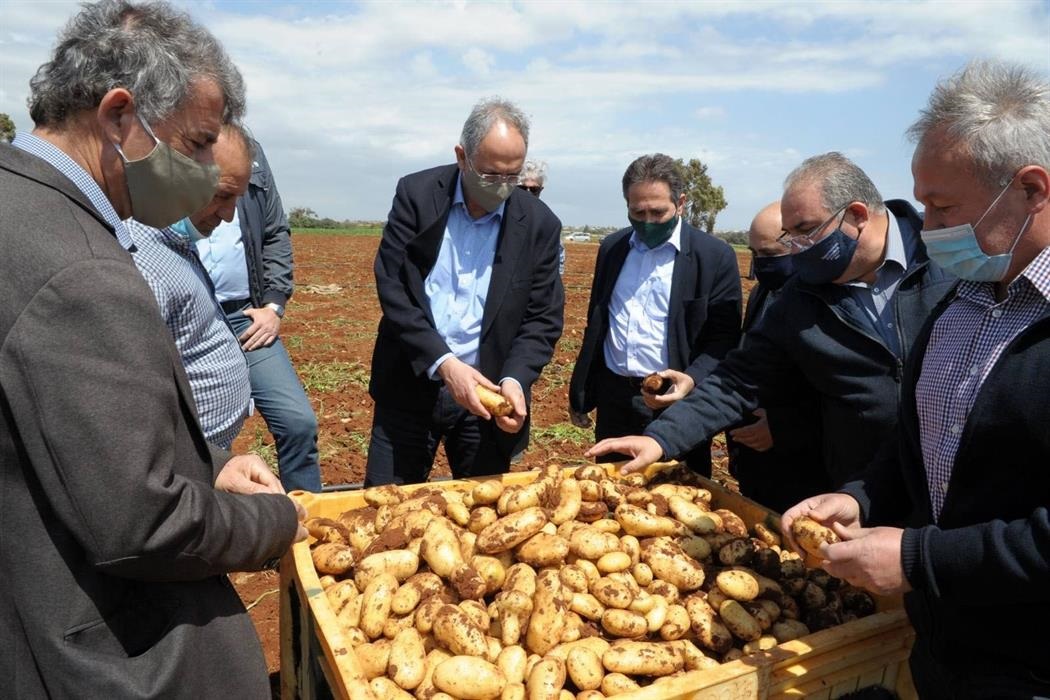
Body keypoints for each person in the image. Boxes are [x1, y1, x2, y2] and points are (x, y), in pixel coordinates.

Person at [0, 1, 304, 697]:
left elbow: (72, 441)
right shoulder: (82, 272)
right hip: (95, 652)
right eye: (197, 144)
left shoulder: (17, 203)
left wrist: (209, 464)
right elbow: (144, 524)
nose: (205, 167)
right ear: (117, 116)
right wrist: (276, 522)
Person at [783, 61, 1050, 699]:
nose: (926, 227)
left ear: (1031, 189)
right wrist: (861, 498)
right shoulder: (960, 306)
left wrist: (915, 559)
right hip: (943, 647)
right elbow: (920, 447)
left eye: (943, 206)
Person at [588, 152, 955, 485]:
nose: (795, 249)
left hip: (957, 485)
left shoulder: (952, 260)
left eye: (806, 231)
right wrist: (661, 439)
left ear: (857, 216)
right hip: (863, 488)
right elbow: (737, 380)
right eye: (789, 236)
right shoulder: (802, 293)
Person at [365, 97, 564, 486]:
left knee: (484, 517)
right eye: (491, 175)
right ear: (462, 156)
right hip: (410, 383)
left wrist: (515, 378)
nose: (503, 188)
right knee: (387, 506)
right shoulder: (417, 195)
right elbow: (395, 289)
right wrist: (444, 363)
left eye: (513, 176)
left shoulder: (540, 224)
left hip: (488, 399)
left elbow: (542, 318)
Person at [569, 153, 742, 477]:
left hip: (676, 405)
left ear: (681, 203)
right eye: (638, 212)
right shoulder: (612, 248)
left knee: (679, 501)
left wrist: (690, 380)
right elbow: (599, 321)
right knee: (611, 492)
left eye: (657, 212)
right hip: (616, 400)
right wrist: (583, 390)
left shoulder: (713, 257)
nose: (647, 221)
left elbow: (723, 340)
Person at [196, 133, 322, 492]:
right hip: (190, 316)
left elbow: (275, 231)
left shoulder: (250, 152)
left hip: (244, 318)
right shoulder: (168, 145)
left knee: (298, 422)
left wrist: (274, 305)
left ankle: (307, 526)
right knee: (206, 433)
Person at [125, 123, 253, 448]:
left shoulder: (174, 240)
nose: (228, 215)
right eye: (222, 195)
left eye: (236, 199)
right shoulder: (138, 260)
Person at [726, 201, 829, 512]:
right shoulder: (763, 293)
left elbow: (838, 394)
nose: (760, 265)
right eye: (754, 254)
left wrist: (784, 427)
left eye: (770, 255)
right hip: (755, 460)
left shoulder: (825, 304)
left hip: (802, 469)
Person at [519, 158, 565, 275]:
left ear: (541, 190)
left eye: (534, 189)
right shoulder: (502, 216)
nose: (528, 193)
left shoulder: (548, 222)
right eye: (522, 188)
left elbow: (557, 263)